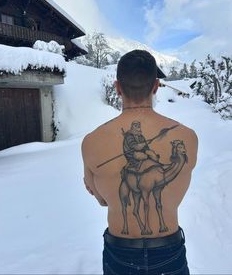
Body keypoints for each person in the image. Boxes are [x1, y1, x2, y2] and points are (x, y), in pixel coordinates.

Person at [81, 50, 198, 275]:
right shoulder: (189, 137)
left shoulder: (91, 142)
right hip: (169, 251)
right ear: (155, 86)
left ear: (117, 87)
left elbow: (102, 200)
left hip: (120, 253)